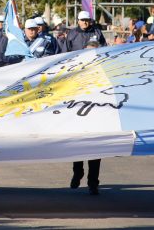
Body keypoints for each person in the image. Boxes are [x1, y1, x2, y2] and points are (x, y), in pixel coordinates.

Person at [70, 40, 103, 195]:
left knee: (95, 152)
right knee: (78, 148)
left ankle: (93, 183)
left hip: (97, 116)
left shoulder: (104, 72)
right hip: (79, 115)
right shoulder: (77, 71)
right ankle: (78, 172)